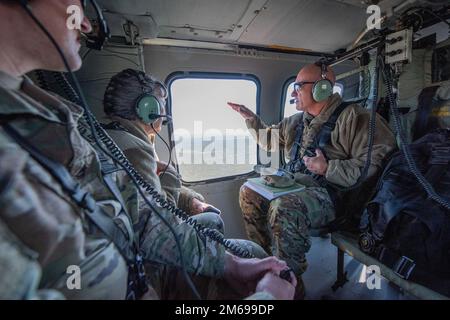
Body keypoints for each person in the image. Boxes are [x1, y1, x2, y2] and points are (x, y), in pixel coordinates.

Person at [0, 0, 296, 300]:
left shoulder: (49, 120)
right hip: (142, 274)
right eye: (72, 2)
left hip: (132, 272)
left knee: (228, 236)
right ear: (147, 109)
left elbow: (140, 218)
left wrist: (226, 260)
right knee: (246, 246)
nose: (86, 23)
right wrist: (266, 301)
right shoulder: (128, 147)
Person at [229, 62, 397, 298]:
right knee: (249, 190)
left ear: (322, 89)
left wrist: (329, 167)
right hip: (299, 187)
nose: (293, 92)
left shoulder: (356, 119)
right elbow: (268, 138)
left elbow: (377, 165)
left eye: (298, 86)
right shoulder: (296, 122)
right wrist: (250, 118)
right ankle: (267, 263)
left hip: (336, 198)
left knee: (285, 207)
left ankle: (290, 283)